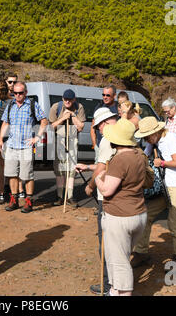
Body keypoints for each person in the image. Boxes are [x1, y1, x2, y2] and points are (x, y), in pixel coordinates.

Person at [95, 118, 147, 296]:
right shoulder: (140, 156)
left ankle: (121, 291)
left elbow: (107, 190)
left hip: (119, 217)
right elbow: (148, 180)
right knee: (121, 257)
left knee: (120, 263)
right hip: (138, 213)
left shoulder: (119, 160)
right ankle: (115, 290)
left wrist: (97, 179)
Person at [132, 117, 176, 270]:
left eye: (147, 135)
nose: (145, 139)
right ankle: (141, 251)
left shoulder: (170, 139)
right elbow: (145, 154)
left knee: (174, 222)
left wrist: (162, 163)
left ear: (156, 132)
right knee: (146, 215)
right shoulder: (157, 141)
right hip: (167, 185)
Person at [75, 107, 118, 296]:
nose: (98, 130)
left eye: (98, 126)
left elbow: (102, 167)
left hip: (107, 196)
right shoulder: (123, 136)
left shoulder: (108, 139)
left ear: (105, 123)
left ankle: (109, 283)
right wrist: (87, 167)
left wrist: (91, 185)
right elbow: (105, 163)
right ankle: (114, 281)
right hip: (119, 197)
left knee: (106, 241)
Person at [0, 81, 48, 213]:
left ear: (25, 93)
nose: (18, 95)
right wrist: (0, 139)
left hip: (26, 146)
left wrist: (37, 137)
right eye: (15, 93)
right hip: (12, 145)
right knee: (11, 174)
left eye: (21, 93)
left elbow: (44, 121)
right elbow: (5, 123)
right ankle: (14, 200)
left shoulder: (32, 104)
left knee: (27, 175)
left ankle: (29, 201)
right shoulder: (10, 106)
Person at [49, 89, 86, 207]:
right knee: (60, 169)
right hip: (59, 140)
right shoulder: (56, 107)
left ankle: (69, 196)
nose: (67, 101)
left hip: (72, 140)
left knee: (71, 169)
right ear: (62, 98)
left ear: (74, 99)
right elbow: (51, 127)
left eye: (70, 99)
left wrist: (72, 116)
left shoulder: (79, 107)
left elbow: (80, 127)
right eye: (65, 99)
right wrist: (63, 118)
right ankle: (60, 196)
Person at [90, 85, 118, 163]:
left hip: (114, 147)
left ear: (114, 96)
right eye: (103, 95)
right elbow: (92, 128)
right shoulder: (98, 107)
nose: (105, 97)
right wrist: (95, 146)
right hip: (100, 147)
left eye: (108, 95)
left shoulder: (118, 109)